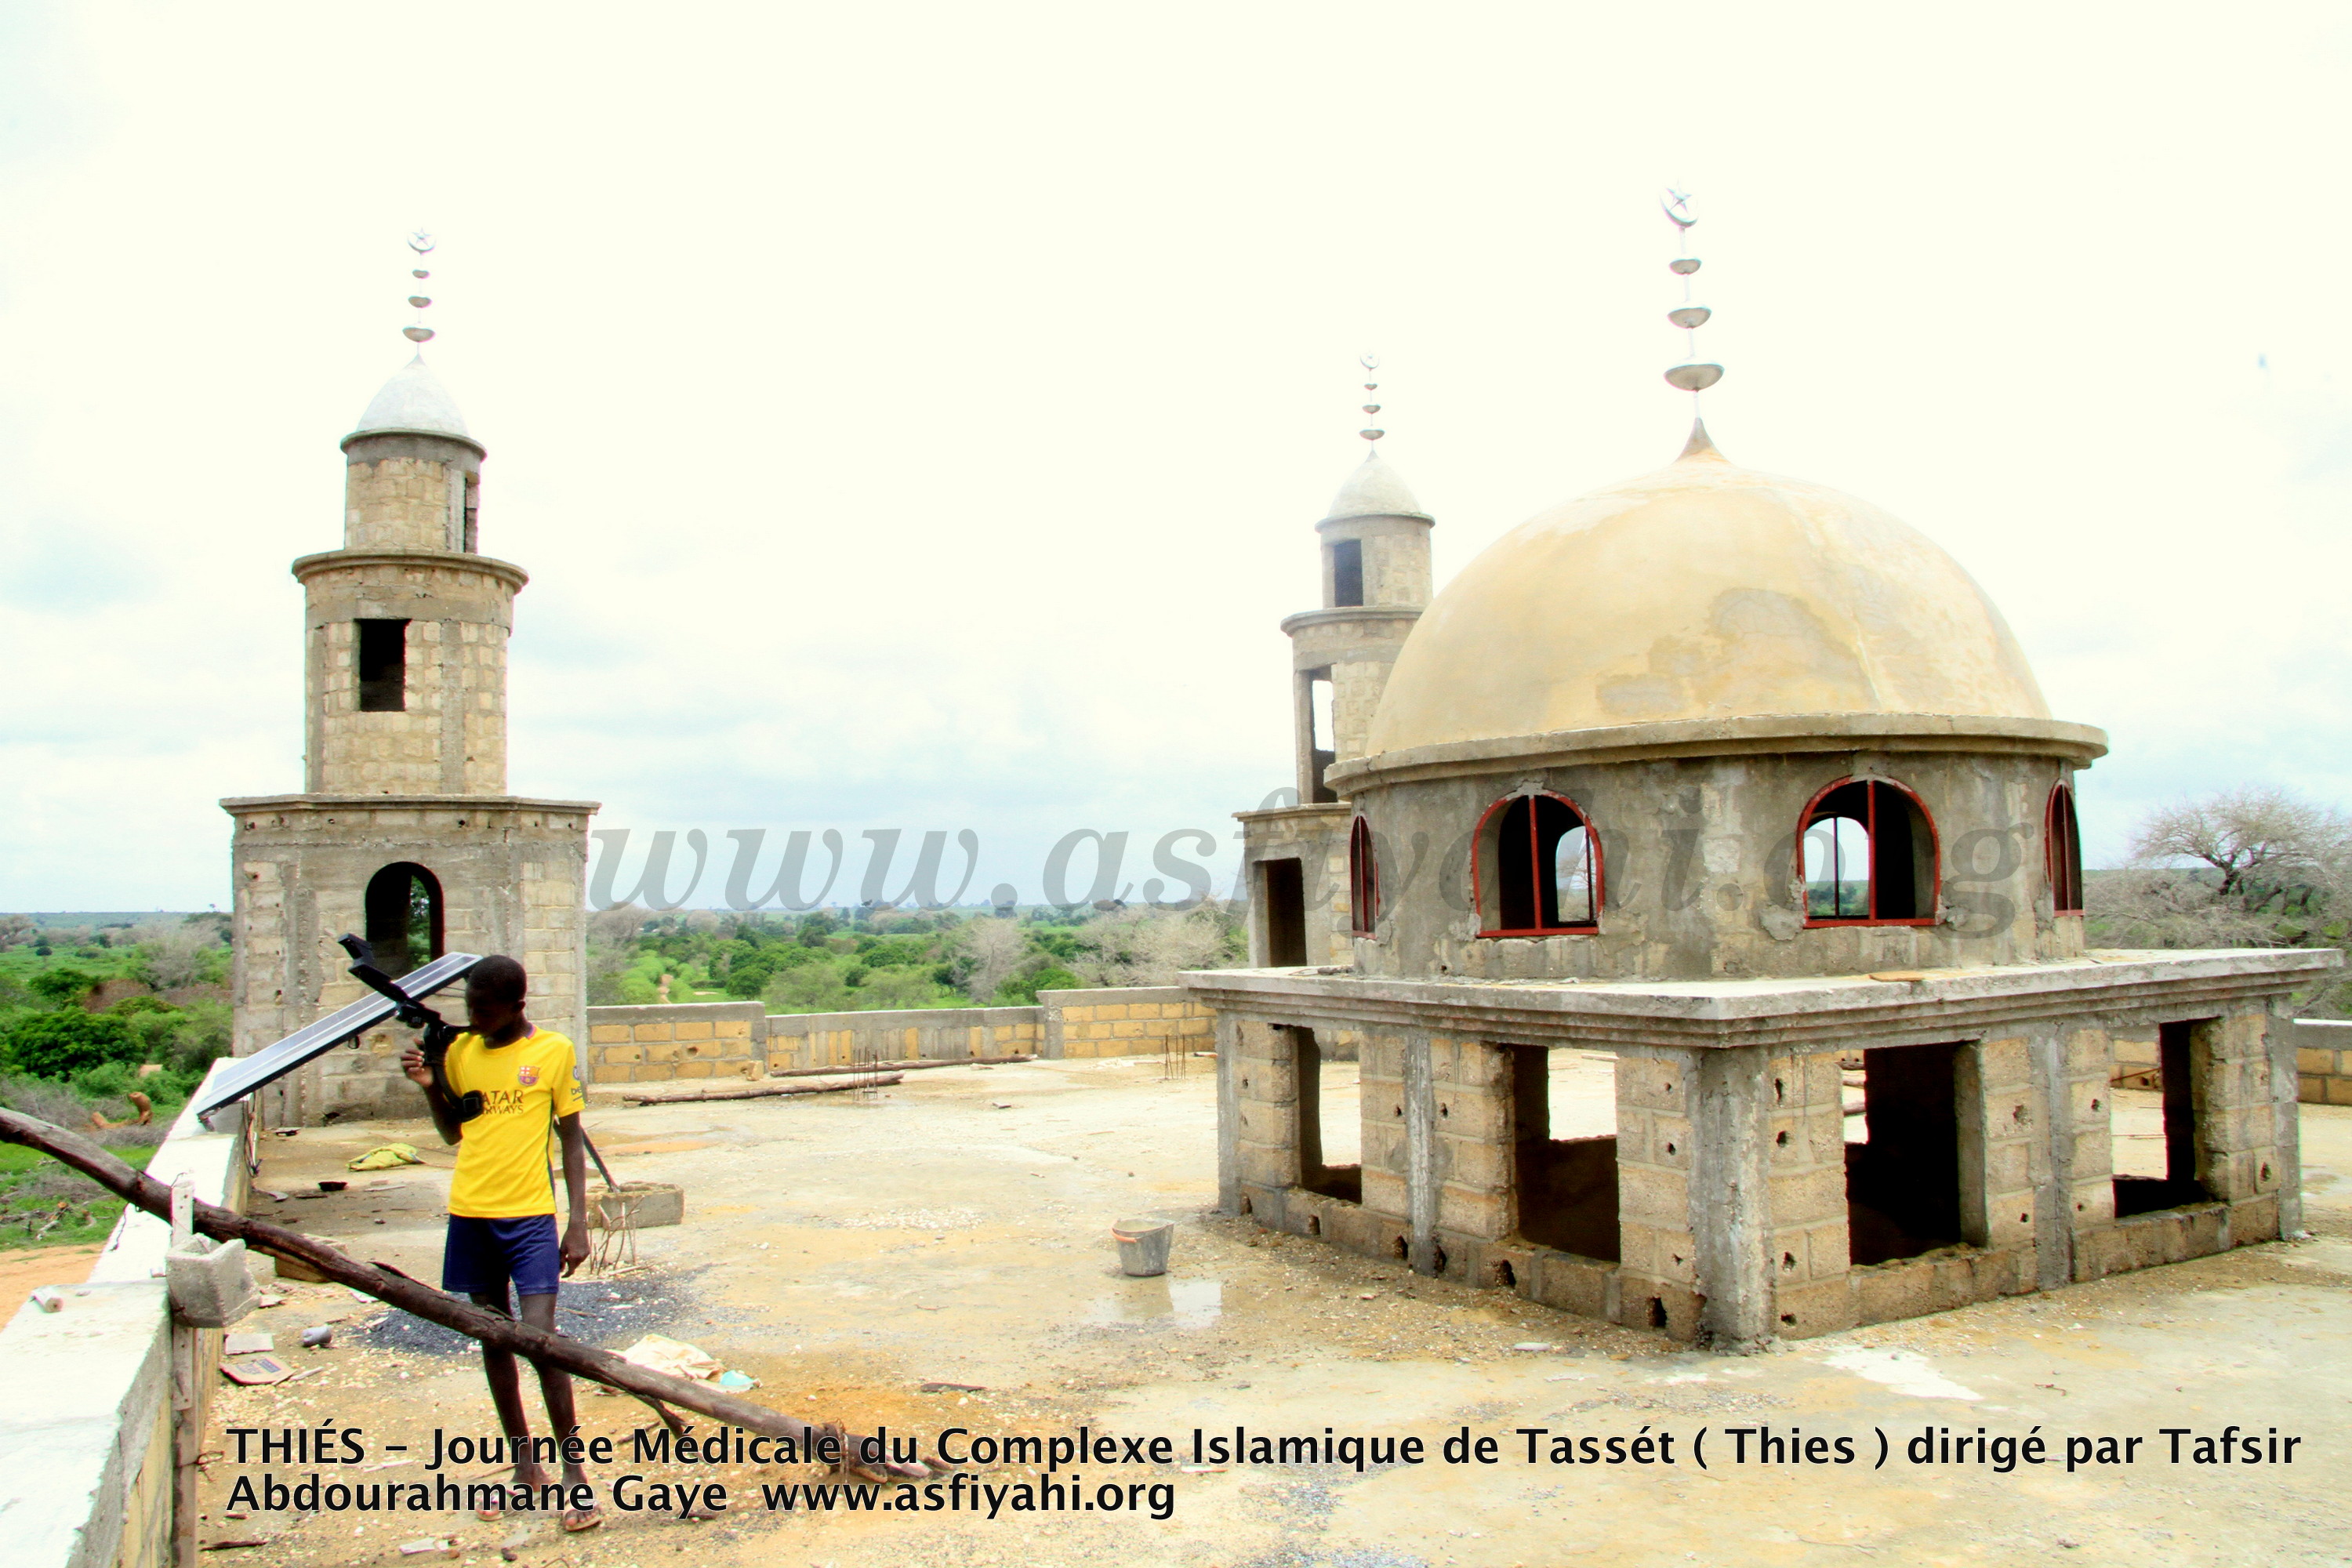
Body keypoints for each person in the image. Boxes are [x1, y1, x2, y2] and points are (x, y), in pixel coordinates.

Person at [401, 954, 600, 1531]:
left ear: (518, 1006)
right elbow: (452, 1131)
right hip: (470, 1215)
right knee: (493, 1341)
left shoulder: (553, 1053)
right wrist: (429, 1085)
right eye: (469, 1009)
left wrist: (578, 1221)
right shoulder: (462, 1053)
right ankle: (524, 1469)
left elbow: (570, 1140)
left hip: (530, 1217)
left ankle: (574, 1474)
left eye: (484, 1010)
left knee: (543, 1344)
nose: (473, 1018)